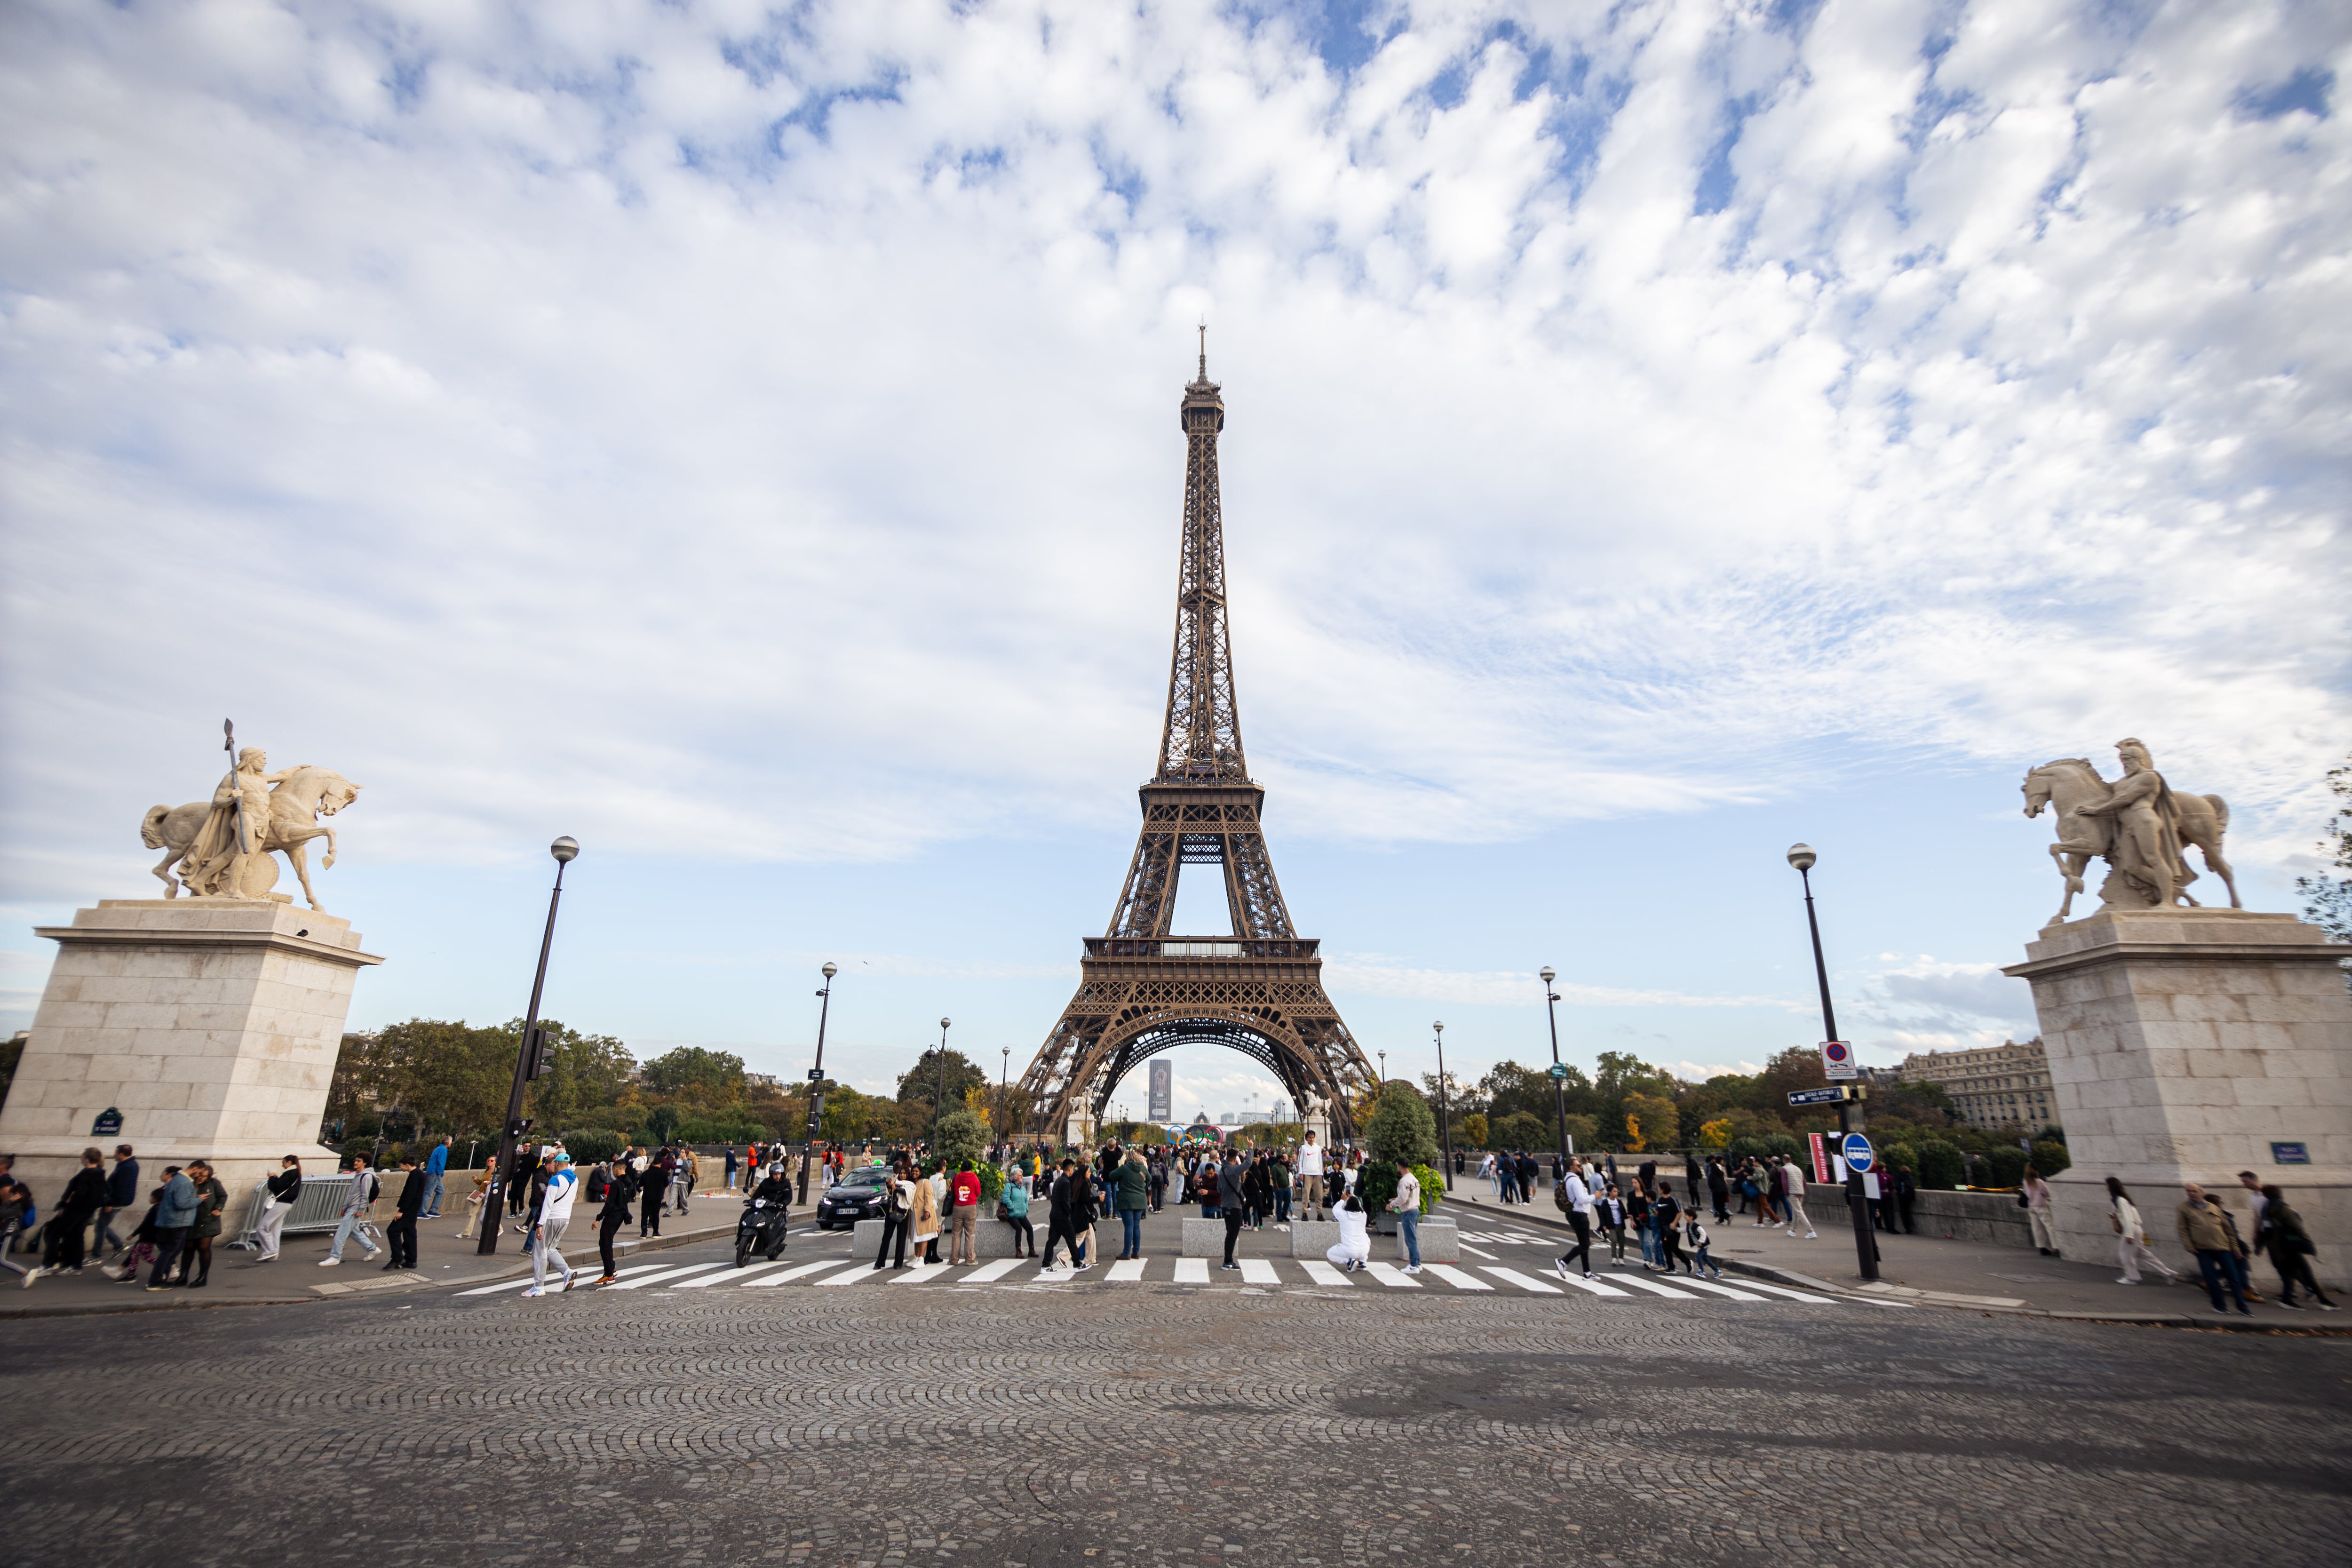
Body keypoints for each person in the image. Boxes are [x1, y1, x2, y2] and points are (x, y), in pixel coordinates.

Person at [2177, 1182, 2251, 1316]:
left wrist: (2236, 1249)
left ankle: (2243, 1307)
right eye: (2189, 1191)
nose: (2192, 1193)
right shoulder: (2183, 1208)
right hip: (2202, 1249)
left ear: (2202, 1193)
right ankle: (2220, 1306)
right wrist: (2189, 1246)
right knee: (2211, 1278)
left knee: (2233, 1277)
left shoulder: (2214, 1208)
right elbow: (2182, 1229)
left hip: (2223, 1247)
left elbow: (2229, 1230)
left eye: (2194, 1191)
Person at [2257, 1186, 2336, 1310]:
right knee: (2307, 1274)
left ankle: (2288, 1300)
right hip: (2289, 1247)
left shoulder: (2266, 1210)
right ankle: (2323, 1301)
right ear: (2278, 1194)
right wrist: (2307, 1242)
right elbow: (2298, 1228)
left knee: (2289, 1275)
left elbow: (2264, 1230)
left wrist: (2260, 1246)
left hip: (2277, 1249)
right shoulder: (2284, 1209)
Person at [35, 1147, 110, 1278]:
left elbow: (79, 1194)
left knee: (53, 1235)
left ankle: (48, 1266)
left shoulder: (87, 1175)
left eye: (82, 1157)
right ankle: (74, 1265)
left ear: (86, 1159)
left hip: (75, 1210)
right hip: (87, 1211)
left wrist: (65, 1205)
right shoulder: (100, 1174)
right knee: (76, 1237)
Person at [524, 1152, 579, 1297]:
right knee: (551, 1249)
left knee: (540, 1251)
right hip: (565, 1218)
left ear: (556, 1164)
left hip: (552, 1218)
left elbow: (548, 1204)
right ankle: (567, 1272)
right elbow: (572, 1198)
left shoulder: (555, 1179)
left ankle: (539, 1286)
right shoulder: (575, 1180)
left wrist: (540, 1224)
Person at [2106, 1177, 2178, 1285]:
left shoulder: (2120, 1200)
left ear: (2111, 1186)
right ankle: (2169, 1273)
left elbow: (2128, 1218)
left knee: (2125, 1254)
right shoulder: (2121, 1200)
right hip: (2135, 1229)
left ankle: (2132, 1278)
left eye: (2106, 1184)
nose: (2105, 1186)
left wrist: (2129, 1235)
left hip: (2131, 1229)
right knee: (2144, 1255)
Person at [170, 1159, 228, 1288]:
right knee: (189, 1248)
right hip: (192, 1220)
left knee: (203, 1248)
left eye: (205, 1176)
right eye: (200, 1175)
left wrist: (218, 1208)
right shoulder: (190, 1184)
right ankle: (183, 1276)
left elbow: (223, 1196)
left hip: (208, 1221)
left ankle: (202, 1277)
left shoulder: (214, 1184)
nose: (202, 1178)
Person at [320, 1152, 382, 1267]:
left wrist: (360, 1210)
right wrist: (345, 1207)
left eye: (359, 1161)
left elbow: (365, 1195)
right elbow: (352, 1194)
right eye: (356, 1160)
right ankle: (372, 1249)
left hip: (355, 1209)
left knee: (341, 1234)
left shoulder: (366, 1176)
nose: (355, 1162)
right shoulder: (360, 1175)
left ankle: (335, 1257)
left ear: (365, 1163)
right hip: (353, 1208)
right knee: (354, 1233)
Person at [148, 1165, 198, 1291]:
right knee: (169, 1251)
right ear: (196, 1169)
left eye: (163, 1172)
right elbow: (182, 1204)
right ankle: (155, 1281)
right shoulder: (182, 1182)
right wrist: (199, 1200)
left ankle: (161, 1278)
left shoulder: (177, 1181)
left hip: (172, 1222)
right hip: (175, 1222)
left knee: (172, 1251)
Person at [254, 1155, 302, 1262]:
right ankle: (274, 1253)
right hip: (287, 1203)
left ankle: (271, 1251)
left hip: (281, 1203)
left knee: (262, 1227)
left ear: (289, 1163)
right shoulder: (296, 1173)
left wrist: (271, 1178)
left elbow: (275, 1187)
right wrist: (276, 1178)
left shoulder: (290, 1173)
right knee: (276, 1229)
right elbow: (282, 1186)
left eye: (284, 1162)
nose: (282, 1165)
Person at [1553, 1159, 1595, 1281]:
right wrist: (1595, 1196)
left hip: (1573, 1214)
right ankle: (1563, 1261)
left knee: (1584, 1243)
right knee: (1585, 1244)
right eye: (1578, 1165)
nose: (1580, 1167)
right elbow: (1582, 1199)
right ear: (1572, 1167)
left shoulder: (1567, 1179)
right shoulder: (1575, 1181)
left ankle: (1587, 1272)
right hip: (1580, 1214)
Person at [97, 1144, 139, 1258]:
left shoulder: (127, 1167)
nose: (114, 1155)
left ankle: (97, 1255)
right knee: (102, 1225)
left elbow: (121, 1187)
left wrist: (110, 1203)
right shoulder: (126, 1164)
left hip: (116, 1202)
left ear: (121, 1154)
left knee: (101, 1227)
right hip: (118, 1200)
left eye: (116, 1153)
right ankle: (118, 1245)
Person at [385, 1154, 426, 1272]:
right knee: (410, 1233)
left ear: (407, 1165)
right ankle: (411, 1259)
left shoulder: (414, 1176)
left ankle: (397, 1258)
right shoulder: (419, 1174)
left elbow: (410, 1195)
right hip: (414, 1209)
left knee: (392, 1231)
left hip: (408, 1209)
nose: (401, 1168)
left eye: (401, 1166)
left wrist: (401, 1211)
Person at [1387, 1157, 1424, 1274]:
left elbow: (1403, 1198)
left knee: (1410, 1240)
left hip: (1408, 1211)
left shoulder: (1404, 1181)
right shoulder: (1414, 1179)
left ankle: (1413, 1265)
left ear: (1400, 1167)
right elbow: (1408, 1196)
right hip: (1415, 1209)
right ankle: (1417, 1263)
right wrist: (1397, 1199)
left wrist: (1392, 1205)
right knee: (1413, 1238)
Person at [1113, 1148, 1149, 1260]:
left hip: (1127, 1200)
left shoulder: (1124, 1169)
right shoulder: (1142, 1168)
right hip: (1140, 1200)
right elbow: (1150, 1178)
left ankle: (1126, 1252)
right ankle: (1136, 1252)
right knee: (1137, 1226)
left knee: (1129, 1226)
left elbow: (1111, 1176)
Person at [907, 1161, 942, 1270]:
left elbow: (929, 1197)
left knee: (924, 1236)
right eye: (913, 1171)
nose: (914, 1173)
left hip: (924, 1213)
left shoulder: (925, 1182)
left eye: (917, 1171)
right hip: (914, 1214)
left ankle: (921, 1258)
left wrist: (927, 1210)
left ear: (920, 1172)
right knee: (916, 1236)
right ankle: (917, 1257)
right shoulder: (912, 1183)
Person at [1327, 1189, 1371, 1273]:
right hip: (1364, 1249)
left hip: (1350, 1250)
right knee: (1365, 1238)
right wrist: (1353, 1198)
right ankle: (1363, 1263)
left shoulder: (1343, 1215)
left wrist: (1342, 1200)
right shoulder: (1363, 1215)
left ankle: (1350, 1262)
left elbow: (1335, 1209)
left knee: (1330, 1254)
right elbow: (1360, 1208)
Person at [1217, 1152, 1248, 1271]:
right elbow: (1249, 1163)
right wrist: (1250, 1149)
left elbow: (1219, 1189)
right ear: (1235, 1159)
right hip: (1235, 1206)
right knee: (1232, 1235)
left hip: (1225, 1206)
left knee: (1230, 1233)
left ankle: (1228, 1260)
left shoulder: (1222, 1171)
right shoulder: (1234, 1170)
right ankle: (1227, 1261)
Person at [949, 1161, 983, 1266]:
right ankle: (970, 1259)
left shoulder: (957, 1177)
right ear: (971, 1168)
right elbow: (978, 1192)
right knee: (970, 1234)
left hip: (958, 1207)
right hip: (970, 1207)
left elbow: (952, 1189)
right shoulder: (974, 1178)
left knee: (956, 1234)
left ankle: (954, 1259)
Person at [1, 1181, 33, 1286]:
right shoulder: (20, 1205)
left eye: (11, 1195)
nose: (10, 1197)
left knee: (3, 1260)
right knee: (4, 1258)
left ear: (18, 1195)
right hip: (9, 1233)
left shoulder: (18, 1206)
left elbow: (2, 1214)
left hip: (10, 1233)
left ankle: (26, 1273)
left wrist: (9, 1202)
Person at [998, 1166, 1035, 1258]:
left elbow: (1026, 1199)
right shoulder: (1009, 1186)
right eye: (1020, 1176)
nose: (1022, 1177)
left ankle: (1032, 1250)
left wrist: (1026, 1208)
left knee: (1030, 1228)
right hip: (1012, 1214)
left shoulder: (1022, 1188)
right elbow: (1006, 1198)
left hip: (1022, 1214)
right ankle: (1018, 1251)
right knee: (1019, 1229)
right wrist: (1013, 1207)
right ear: (1015, 1177)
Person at [2022, 1167, 2058, 1255]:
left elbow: (2026, 1194)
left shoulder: (2025, 1182)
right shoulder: (2039, 1182)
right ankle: (2056, 1246)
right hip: (2041, 1206)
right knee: (2049, 1226)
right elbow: (2047, 1194)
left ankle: (2042, 1247)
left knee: (2037, 1228)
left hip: (2031, 1207)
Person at [1779, 1155, 1817, 1239]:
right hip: (1800, 1191)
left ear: (1784, 1161)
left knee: (1799, 1212)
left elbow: (1784, 1182)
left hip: (1792, 1192)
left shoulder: (1784, 1169)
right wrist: (1802, 1190)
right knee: (1796, 1211)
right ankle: (1793, 1230)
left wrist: (1786, 1193)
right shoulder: (1797, 1168)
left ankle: (1810, 1231)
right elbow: (1804, 1181)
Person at [454, 1165, 494, 1239]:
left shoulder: (497, 1171)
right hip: (481, 1194)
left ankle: (498, 1229)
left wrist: (490, 1182)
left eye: (492, 1161)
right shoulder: (487, 1171)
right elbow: (482, 1183)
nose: (489, 1162)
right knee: (472, 1213)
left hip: (489, 1195)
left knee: (490, 1214)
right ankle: (467, 1233)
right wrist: (476, 1180)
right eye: (489, 1161)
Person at [1596, 1181, 1629, 1267]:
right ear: (1610, 1192)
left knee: (1622, 1242)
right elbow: (1602, 1215)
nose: (1616, 1193)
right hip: (1612, 1225)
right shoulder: (1605, 1203)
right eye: (1614, 1191)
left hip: (1620, 1224)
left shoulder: (1619, 1202)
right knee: (1614, 1240)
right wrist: (1603, 1225)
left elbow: (1623, 1213)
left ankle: (1621, 1258)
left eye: (1617, 1191)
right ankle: (1614, 1258)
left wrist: (1628, 1216)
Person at [421, 1135, 452, 1218]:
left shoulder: (439, 1148)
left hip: (433, 1172)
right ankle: (422, 1211)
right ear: (449, 1143)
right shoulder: (443, 1150)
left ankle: (433, 1210)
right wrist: (440, 1173)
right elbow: (441, 1163)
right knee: (429, 1193)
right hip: (434, 1173)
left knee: (441, 1191)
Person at [1704, 1156, 1729, 1224]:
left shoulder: (1711, 1174)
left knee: (1716, 1206)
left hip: (1716, 1191)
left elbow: (1710, 1183)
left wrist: (1712, 1189)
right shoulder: (1720, 1173)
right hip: (1724, 1190)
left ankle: (1727, 1216)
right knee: (1721, 1205)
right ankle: (1721, 1219)